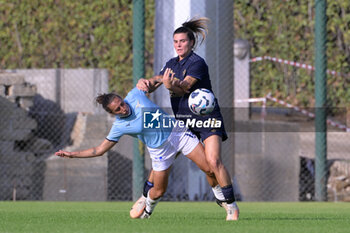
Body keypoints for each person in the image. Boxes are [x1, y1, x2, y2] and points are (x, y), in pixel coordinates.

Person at [55, 87, 224, 219]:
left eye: (121, 103)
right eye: (117, 109)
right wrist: (72, 154)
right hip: (159, 151)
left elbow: (153, 82)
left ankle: (223, 199)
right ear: (113, 114)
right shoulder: (119, 127)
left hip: (177, 133)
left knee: (210, 167)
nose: (123, 108)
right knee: (159, 192)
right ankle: (148, 205)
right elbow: (98, 150)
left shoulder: (135, 95)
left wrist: (160, 79)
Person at [136, 16, 239, 220]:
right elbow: (158, 79)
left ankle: (231, 206)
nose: (178, 45)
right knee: (162, 158)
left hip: (207, 118)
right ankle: (145, 200)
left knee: (213, 161)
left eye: (182, 41)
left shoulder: (197, 63)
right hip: (183, 121)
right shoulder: (171, 63)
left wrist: (169, 85)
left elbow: (185, 85)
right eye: (175, 42)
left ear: (191, 42)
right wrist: (146, 82)